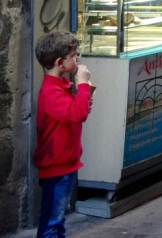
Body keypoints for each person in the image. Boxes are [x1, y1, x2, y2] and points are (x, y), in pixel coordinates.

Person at [33, 30, 92, 238]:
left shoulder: (60, 87)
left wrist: (82, 98)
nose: (76, 59)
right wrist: (83, 85)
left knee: (57, 220)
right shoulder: (51, 92)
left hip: (64, 163)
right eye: (73, 56)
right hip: (57, 167)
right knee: (52, 221)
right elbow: (77, 115)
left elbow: (73, 113)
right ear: (60, 63)